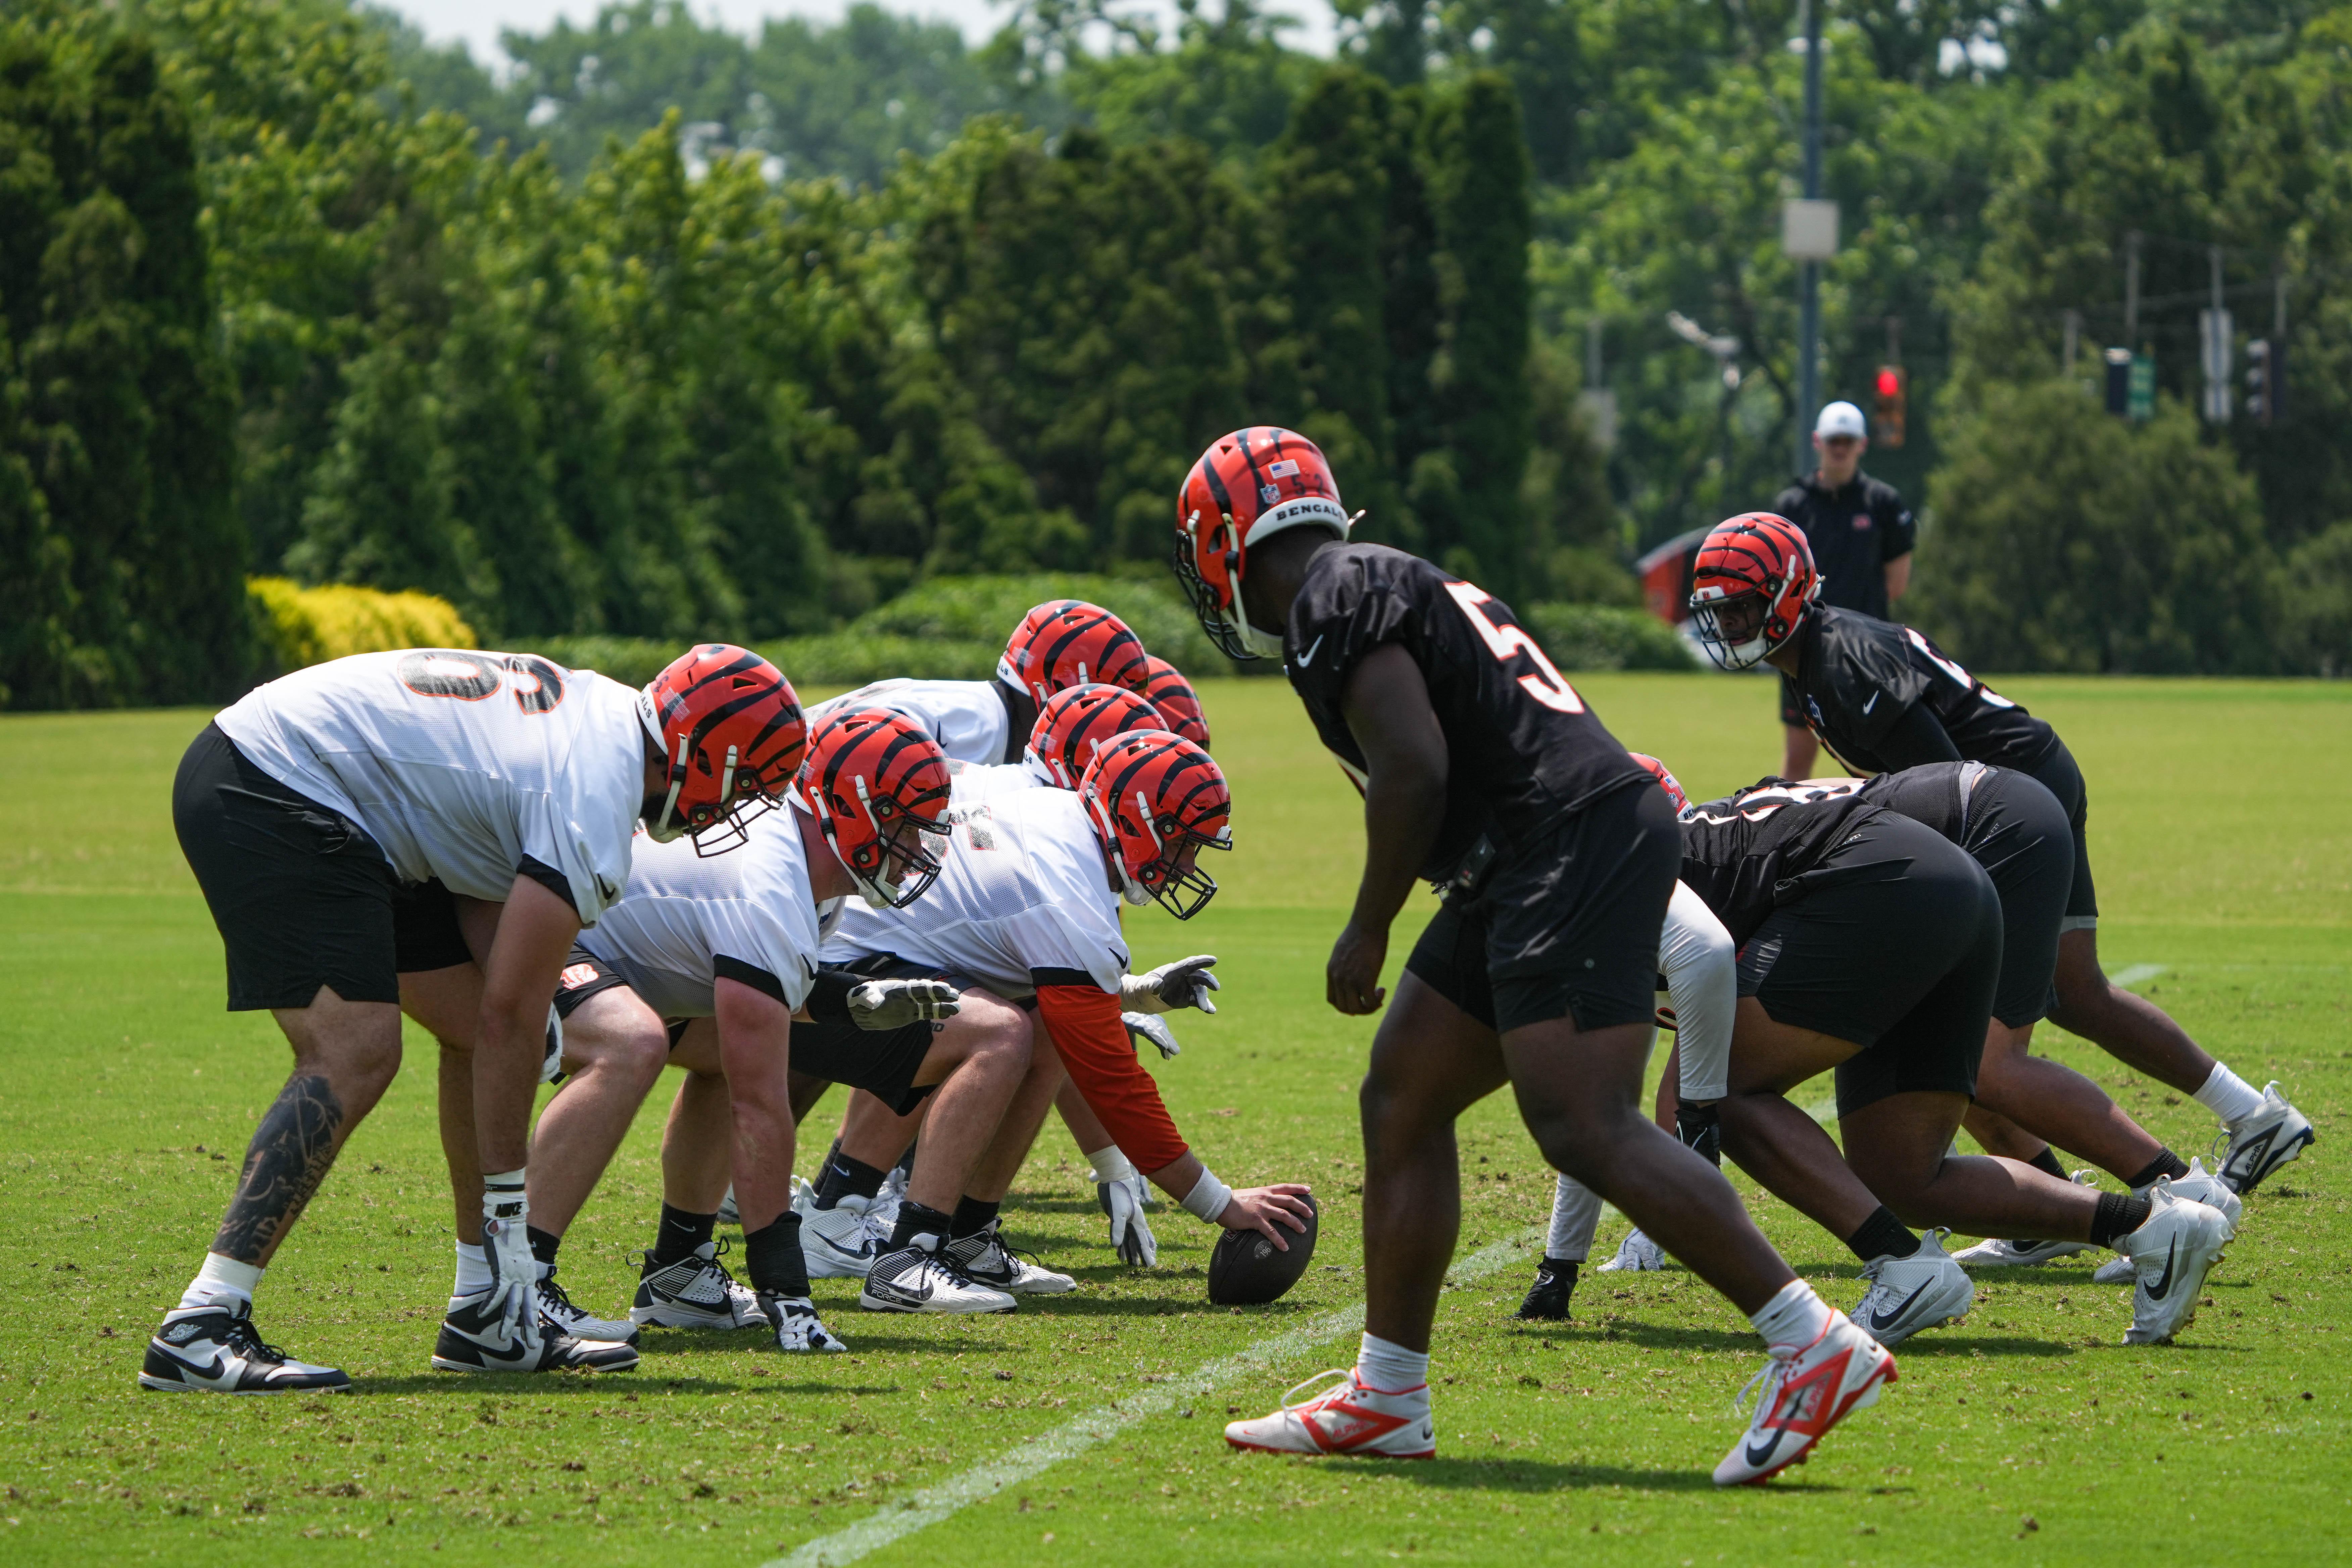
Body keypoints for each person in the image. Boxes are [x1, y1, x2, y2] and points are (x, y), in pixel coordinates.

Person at [1175, 426, 1892, 1487]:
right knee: (1402, 1094)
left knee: (1580, 1122)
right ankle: (1387, 1397)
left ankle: (1808, 1339)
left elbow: (1412, 770)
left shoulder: (1330, 600)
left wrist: (1367, 923)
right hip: (1530, 847)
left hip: (1557, 841)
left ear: (1227, 543)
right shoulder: (1378, 577)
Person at [149, 644, 795, 1392]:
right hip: (275, 777)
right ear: (695, 749)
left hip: (356, 798)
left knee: (467, 1027)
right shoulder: (598, 787)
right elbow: (508, 1017)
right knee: (354, 1050)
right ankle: (201, 1322)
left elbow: (495, 976)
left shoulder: (607, 726)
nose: (738, 804)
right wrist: (510, 1210)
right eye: (745, 779)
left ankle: (488, 1311)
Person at [1688, 514, 2314, 1195]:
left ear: (1789, 590)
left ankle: (2170, 1191)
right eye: (1720, 611)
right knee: (2077, 995)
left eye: (1743, 605)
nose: (1732, 624)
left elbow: (1943, 782)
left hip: (2005, 809)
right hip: (2021, 791)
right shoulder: (1816, 657)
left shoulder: (1843, 662)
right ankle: (2251, 1114)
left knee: (1979, 1048)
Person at [1654, 756, 2241, 1348]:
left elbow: (1598, 1089)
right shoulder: (1693, 835)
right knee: (1903, 1177)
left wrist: (1585, 1253)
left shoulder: (1616, 865)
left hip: (1888, 878)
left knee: (1716, 1089)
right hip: (1950, 882)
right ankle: (2150, 1227)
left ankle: (1903, 1265)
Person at [1771, 401, 1916, 781]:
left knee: (1874, 765)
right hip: (1802, 650)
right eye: (1834, 440)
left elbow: (1896, 583)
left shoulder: (1884, 503)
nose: (1840, 448)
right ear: (1818, 442)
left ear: (1862, 445)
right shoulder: (1793, 506)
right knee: (1798, 763)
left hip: (1869, 653)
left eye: (1848, 441)